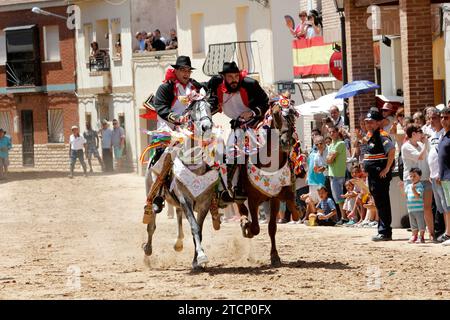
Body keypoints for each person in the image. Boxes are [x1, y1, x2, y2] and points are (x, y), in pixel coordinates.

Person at [147, 55, 205, 213]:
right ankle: (159, 194)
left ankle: (215, 194)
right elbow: (161, 107)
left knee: (213, 152)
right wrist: (178, 119)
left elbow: (205, 98)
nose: (186, 73)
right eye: (182, 70)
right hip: (168, 129)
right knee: (162, 155)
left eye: (188, 70)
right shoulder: (166, 87)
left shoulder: (195, 86)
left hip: (190, 130)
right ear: (176, 71)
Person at [207, 61, 269, 203]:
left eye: (236, 75)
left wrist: (252, 112)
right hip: (237, 126)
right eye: (230, 76)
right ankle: (233, 188)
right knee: (230, 152)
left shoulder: (250, 84)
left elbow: (265, 103)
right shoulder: (215, 84)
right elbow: (203, 91)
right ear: (224, 77)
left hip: (256, 123)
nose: (234, 79)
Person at [363, 109, 395, 241]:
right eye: (367, 122)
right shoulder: (371, 136)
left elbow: (391, 150)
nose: (368, 124)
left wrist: (387, 168)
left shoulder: (382, 135)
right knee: (379, 203)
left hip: (380, 176)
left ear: (378, 122)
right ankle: (382, 229)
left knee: (382, 203)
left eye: (371, 122)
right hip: (373, 176)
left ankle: (385, 231)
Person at [401, 124, 433, 240]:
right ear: (413, 134)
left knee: (427, 208)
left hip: (425, 179)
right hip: (411, 182)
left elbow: (428, 157)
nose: (422, 133)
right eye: (419, 131)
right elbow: (420, 156)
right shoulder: (406, 147)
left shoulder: (421, 144)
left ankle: (431, 234)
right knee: (414, 209)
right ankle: (415, 234)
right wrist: (425, 143)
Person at [427, 108, 447, 242]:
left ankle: (447, 232)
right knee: (439, 206)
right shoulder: (432, 134)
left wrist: (440, 172)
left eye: (434, 118)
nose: (432, 121)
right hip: (433, 174)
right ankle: (441, 231)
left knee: (446, 204)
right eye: (430, 118)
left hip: (442, 174)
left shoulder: (443, 133)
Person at [326, 126, 347, 224]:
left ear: (337, 132)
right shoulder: (330, 145)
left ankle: (344, 217)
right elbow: (328, 160)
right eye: (330, 132)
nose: (332, 133)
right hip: (332, 174)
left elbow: (329, 160)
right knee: (337, 198)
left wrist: (330, 158)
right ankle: (343, 217)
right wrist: (330, 159)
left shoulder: (340, 143)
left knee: (339, 197)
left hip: (338, 174)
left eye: (333, 132)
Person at [403, 167, 426, 243]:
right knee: (413, 224)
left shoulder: (419, 186)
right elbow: (404, 195)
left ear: (420, 176)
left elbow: (418, 196)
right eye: (411, 176)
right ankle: (414, 236)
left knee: (420, 223)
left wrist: (414, 189)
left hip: (419, 209)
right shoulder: (409, 186)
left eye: (414, 176)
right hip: (411, 209)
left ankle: (421, 237)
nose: (412, 178)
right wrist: (401, 188)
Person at [437, 107, 450, 245]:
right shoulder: (443, 135)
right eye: (441, 117)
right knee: (448, 207)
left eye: (446, 117)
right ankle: (448, 233)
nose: (443, 120)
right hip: (444, 177)